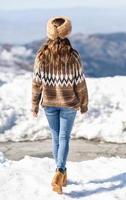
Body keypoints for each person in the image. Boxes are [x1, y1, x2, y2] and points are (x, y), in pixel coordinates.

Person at [31, 16, 89, 194]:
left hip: (49, 103)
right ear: (67, 32)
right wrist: (84, 103)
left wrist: (34, 104)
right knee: (64, 138)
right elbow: (80, 82)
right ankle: (60, 171)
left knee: (56, 138)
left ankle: (60, 173)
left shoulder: (42, 54)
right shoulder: (73, 55)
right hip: (68, 103)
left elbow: (36, 82)